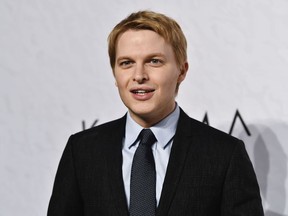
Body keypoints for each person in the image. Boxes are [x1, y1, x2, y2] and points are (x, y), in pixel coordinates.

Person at [48, 10, 264, 216]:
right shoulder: (83, 151)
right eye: (126, 63)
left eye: (154, 61)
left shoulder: (224, 155)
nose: (139, 75)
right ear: (114, 73)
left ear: (182, 70)